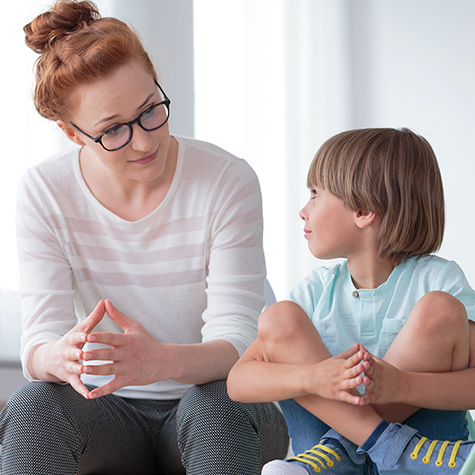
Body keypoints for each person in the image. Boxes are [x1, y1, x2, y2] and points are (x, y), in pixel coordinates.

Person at [0, 1, 289, 474]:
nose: (144, 140)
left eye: (151, 109)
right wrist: (60, 355)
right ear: (72, 134)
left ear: (157, 83)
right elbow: (39, 344)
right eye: (113, 129)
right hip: (108, 416)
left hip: (219, 403)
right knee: (34, 405)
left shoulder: (226, 180)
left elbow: (236, 343)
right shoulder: (44, 191)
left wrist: (162, 362)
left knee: (216, 404)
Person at [227, 127, 475, 474]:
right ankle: (374, 447)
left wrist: (403, 385)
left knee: (441, 308)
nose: (303, 210)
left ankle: (345, 452)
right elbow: (238, 382)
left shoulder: (438, 281)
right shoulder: (315, 292)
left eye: (315, 194)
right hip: (332, 457)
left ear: (362, 210)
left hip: (429, 457)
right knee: (279, 318)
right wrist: (314, 377)